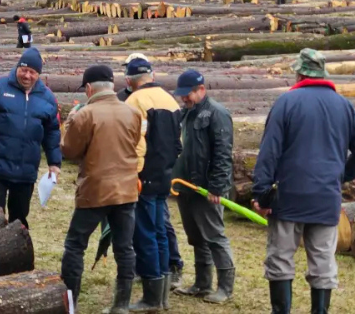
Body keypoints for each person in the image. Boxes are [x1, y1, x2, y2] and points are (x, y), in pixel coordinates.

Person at [252, 49, 355, 314]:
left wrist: (262, 194)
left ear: (299, 73)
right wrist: (341, 176)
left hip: (289, 198)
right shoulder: (343, 105)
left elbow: (269, 151)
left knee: (280, 260)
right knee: (323, 263)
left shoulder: (286, 102)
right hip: (325, 199)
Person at [60, 65, 142, 312]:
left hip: (94, 190)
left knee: (75, 246)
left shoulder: (84, 114)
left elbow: (69, 151)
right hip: (126, 190)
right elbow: (134, 142)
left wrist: (68, 123)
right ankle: (121, 304)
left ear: (88, 88)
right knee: (125, 248)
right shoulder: (132, 112)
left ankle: (70, 303)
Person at [0, 48, 61, 228]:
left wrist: (54, 163)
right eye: (23, 70)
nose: (27, 75)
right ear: (17, 67)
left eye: (32, 72)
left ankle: (16, 250)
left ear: (38, 74)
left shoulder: (48, 98)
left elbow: (53, 132)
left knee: (19, 217)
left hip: (25, 170)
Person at [123, 58, 182, 311]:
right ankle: (163, 292)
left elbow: (137, 142)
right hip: (164, 173)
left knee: (145, 232)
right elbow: (178, 143)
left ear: (128, 80)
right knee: (160, 230)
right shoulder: (170, 99)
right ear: (151, 74)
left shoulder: (134, 101)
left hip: (144, 175)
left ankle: (151, 296)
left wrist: (134, 173)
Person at [172, 69, 235, 304]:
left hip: (207, 188)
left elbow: (222, 153)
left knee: (214, 237)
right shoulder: (186, 113)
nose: (183, 99)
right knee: (195, 237)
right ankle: (201, 283)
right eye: (181, 95)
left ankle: (225, 288)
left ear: (201, 90)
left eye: (187, 94)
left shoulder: (217, 114)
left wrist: (217, 187)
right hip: (186, 186)